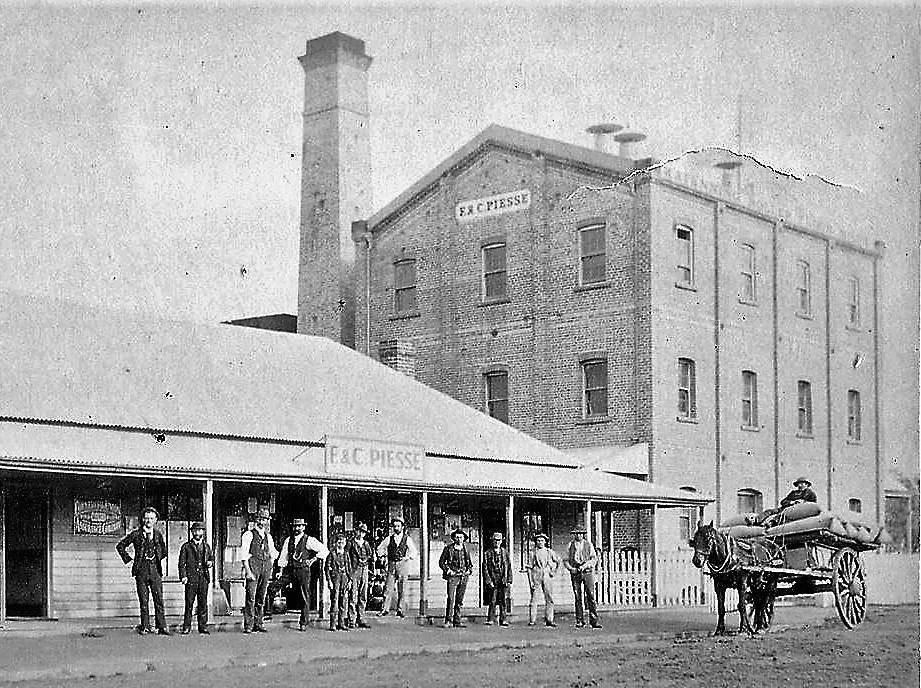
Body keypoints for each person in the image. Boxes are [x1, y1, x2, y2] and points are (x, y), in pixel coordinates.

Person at [116, 506, 170, 636]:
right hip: (141, 571)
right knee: (143, 600)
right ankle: (145, 626)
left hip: (155, 571)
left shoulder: (158, 534)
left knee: (159, 600)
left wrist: (156, 558)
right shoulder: (136, 534)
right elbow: (120, 546)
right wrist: (129, 560)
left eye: (151, 518)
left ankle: (161, 626)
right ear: (142, 520)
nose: (148, 521)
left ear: (156, 520)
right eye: (146, 518)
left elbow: (164, 550)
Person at [274, 517, 329, 631]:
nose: (297, 528)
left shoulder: (309, 540)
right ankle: (267, 614)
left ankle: (303, 622)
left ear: (303, 527)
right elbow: (283, 557)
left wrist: (312, 560)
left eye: (299, 526)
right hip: (290, 570)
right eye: (295, 526)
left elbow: (324, 550)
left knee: (304, 595)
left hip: (303, 570)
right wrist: (280, 571)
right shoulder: (288, 540)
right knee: (273, 587)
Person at [240, 506, 278, 634]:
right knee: (251, 596)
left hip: (266, 567)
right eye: (260, 519)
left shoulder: (269, 537)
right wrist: (248, 571)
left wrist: (270, 568)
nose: (262, 522)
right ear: (256, 519)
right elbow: (243, 555)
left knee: (261, 596)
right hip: (253, 566)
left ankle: (259, 623)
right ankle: (249, 625)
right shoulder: (249, 534)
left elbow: (272, 554)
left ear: (268, 521)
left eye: (265, 519)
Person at [376, 516, 417, 618]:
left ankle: (400, 610)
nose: (396, 528)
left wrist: (407, 557)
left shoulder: (407, 539)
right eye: (395, 526)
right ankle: (385, 609)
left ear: (402, 527)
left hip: (402, 564)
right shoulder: (389, 539)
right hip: (391, 564)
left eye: (398, 526)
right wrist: (383, 556)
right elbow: (379, 549)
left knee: (402, 588)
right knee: (388, 588)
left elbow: (414, 552)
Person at [178, 521, 214, 635]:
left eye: (200, 530)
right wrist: (183, 576)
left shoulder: (207, 546)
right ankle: (186, 626)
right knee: (189, 603)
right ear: (192, 532)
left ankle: (202, 626)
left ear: (203, 532)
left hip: (203, 578)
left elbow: (211, 559)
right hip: (191, 578)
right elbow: (181, 563)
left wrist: (210, 563)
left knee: (202, 603)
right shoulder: (186, 546)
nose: (197, 532)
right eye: (195, 530)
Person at [564, 524, 601, 629]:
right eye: (576, 534)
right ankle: (580, 620)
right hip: (575, 572)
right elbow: (565, 560)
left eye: (580, 534)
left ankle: (594, 621)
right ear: (574, 535)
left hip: (587, 572)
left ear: (583, 535)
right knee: (577, 596)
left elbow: (594, 559)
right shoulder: (570, 545)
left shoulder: (588, 545)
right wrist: (571, 568)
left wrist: (585, 566)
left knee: (591, 595)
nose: (578, 536)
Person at [438, 528, 473, 628]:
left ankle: (457, 621)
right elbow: (441, 562)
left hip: (463, 577)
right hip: (452, 577)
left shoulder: (466, 549)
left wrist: (468, 571)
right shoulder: (449, 549)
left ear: (463, 538)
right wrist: (447, 570)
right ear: (453, 538)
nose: (459, 539)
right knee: (451, 598)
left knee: (459, 600)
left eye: (461, 537)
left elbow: (470, 564)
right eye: (457, 537)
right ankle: (448, 620)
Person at [527, 532, 560, 627]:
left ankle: (549, 619)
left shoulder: (549, 552)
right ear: (536, 542)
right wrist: (531, 581)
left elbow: (558, 561)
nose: (540, 542)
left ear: (545, 541)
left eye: (542, 540)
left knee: (549, 597)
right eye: (538, 540)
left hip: (547, 574)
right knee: (534, 599)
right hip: (536, 575)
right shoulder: (532, 553)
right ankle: (532, 620)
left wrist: (554, 571)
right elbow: (529, 568)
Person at [347, 522, 374, 629]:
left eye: (363, 532)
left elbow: (370, 555)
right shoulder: (351, 543)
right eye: (360, 531)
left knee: (363, 595)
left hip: (364, 569)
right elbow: (346, 557)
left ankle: (361, 618)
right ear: (356, 531)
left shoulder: (366, 544)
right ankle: (351, 620)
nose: (361, 534)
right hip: (354, 570)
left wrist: (370, 568)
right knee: (353, 595)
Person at [482, 532, 513, 627]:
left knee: (503, 600)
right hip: (493, 579)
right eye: (495, 540)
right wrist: (488, 581)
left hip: (502, 579)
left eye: (499, 540)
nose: (497, 542)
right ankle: (491, 619)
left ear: (501, 541)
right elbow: (485, 568)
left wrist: (509, 579)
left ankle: (503, 619)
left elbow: (509, 566)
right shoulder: (487, 553)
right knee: (492, 600)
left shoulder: (505, 552)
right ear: (492, 541)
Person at [325, 531, 353, 631]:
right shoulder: (331, 554)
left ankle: (341, 623)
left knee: (343, 601)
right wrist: (329, 581)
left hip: (344, 578)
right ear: (335, 543)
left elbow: (349, 568)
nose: (341, 544)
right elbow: (327, 569)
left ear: (345, 543)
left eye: (342, 542)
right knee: (334, 601)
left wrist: (350, 580)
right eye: (339, 542)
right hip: (335, 579)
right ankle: (333, 623)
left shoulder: (346, 554)